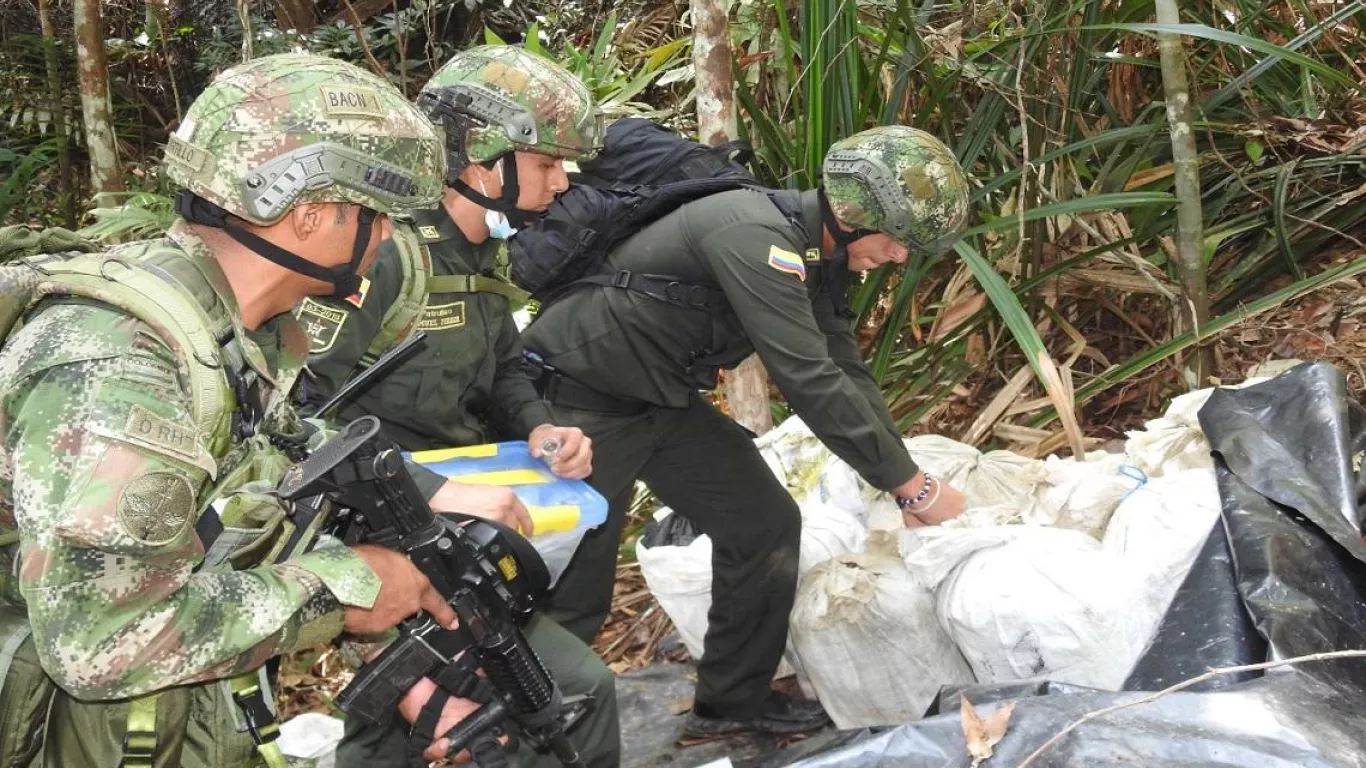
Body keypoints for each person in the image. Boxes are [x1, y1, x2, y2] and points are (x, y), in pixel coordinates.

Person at [0, 53, 499, 766]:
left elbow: (286, 457)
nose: (388, 238)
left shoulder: (231, 329)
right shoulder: (115, 359)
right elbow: (99, 640)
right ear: (309, 215)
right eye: (377, 214)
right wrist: (346, 589)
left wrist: (427, 510)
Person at [521, 125, 973, 737]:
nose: (900, 257)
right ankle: (522, 735)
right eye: (898, 241)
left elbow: (845, 369)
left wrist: (903, 472)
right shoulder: (753, 232)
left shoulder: (820, 257)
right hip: (575, 403)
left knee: (764, 525)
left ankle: (731, 708)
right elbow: (807, 378)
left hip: (659, 401)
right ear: (855, 214)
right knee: (574, 591)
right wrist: (913, 488)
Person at [300, 46, 619, 768]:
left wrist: (541, 427)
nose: (562, 181)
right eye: (545, 163)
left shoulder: (485, 255)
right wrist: (435, 494)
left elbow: (503, 368)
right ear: (481, 163)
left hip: (461, 532)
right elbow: (302, 421)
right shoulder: (382, 257)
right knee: (570, 693)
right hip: (389, 531)